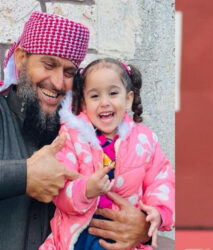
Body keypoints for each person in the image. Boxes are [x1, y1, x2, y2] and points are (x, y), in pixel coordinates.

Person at [0, 11, 152, 250]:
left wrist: (143, 229)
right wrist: (24, 175)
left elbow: (133, 187)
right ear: (20, 59)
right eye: (48, 65)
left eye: (69, 72)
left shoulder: (84, 133)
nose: (59, 83)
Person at [39, 58, 175, 249]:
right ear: (84, 104)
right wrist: (86, 189)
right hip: (78, 236)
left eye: (113, 93)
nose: (104, 102)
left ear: (128, 99)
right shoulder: (71, 138)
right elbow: (58, 185)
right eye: (94, 96)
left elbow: (161, 180)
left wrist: (158, 213)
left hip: (125, 237)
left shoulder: (145, 141)